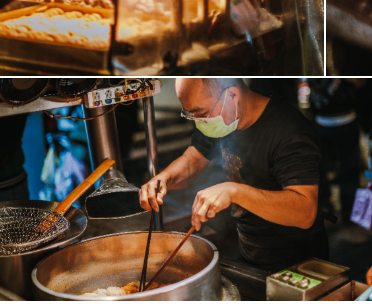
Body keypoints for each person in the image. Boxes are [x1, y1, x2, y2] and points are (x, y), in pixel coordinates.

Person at [139, 78, 328, 272]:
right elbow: (192, 161)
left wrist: (234, 191)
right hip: (250, 251)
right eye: (191, 114)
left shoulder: (289, 130)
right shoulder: (221, 120)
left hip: (299, 264)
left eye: (201, 113)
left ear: (232, 95)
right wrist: (164, 178)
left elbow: (305, 212)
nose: (199, 121)